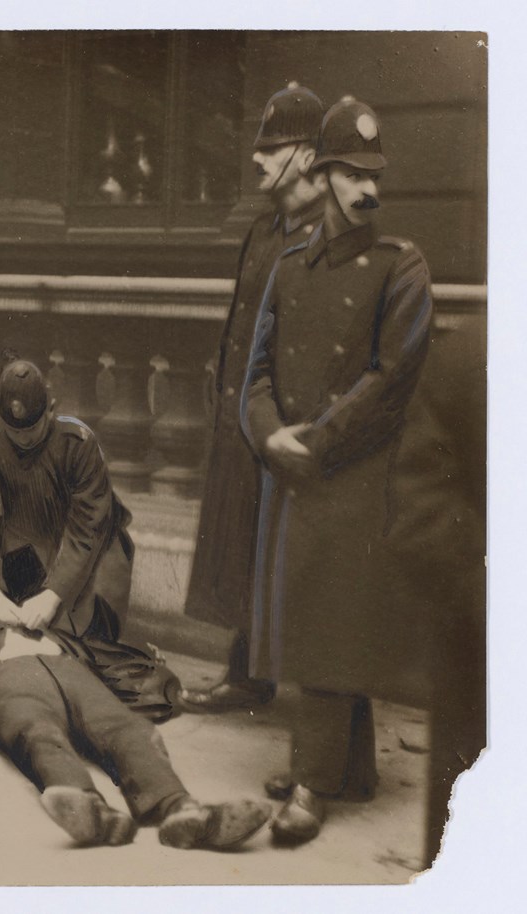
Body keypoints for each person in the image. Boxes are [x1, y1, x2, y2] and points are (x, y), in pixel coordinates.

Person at [241, 97, 434, 844]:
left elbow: (392, 380)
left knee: (329, 616)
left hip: (350, 470)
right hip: (290, 464)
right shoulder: (290, 266)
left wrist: (314, 442)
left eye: (373, 176)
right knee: (306, 614)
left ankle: (316, 782)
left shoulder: (401, 266)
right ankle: (348, 769)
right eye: (351, 174)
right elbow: (254, 371)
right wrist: (267, 436)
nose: (367, 191)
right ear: (321, 177)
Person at [179, 83, 326, 713]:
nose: (258, 160)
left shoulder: (332, 236)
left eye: (273, 148)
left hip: (289, 425)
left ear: (309, 157)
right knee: (241, 543)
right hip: (242, 413)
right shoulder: (264, 228)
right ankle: (247, 676)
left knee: (299, 562)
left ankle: (321, 718)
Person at [0, 359, 177, 720]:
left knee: (81, 648)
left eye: (32, 430)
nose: (23, 439)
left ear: (51, 411)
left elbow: (87, 529)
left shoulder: (79, 442)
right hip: (27, 548)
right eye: (15, 432)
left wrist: (54, 594)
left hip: (90, 556)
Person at [0, 626, 271, 850]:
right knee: (38, 731)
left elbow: (121, 660)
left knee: (128, 727)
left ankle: (183, 810)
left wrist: (161, 679)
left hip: (71, 670)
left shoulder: (61, 628)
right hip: (7, 679)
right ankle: (90, 810)